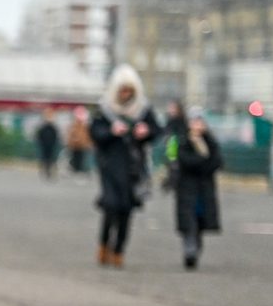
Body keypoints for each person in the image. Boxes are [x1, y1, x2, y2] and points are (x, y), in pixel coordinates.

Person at [91, 65, 160, 270]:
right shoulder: (105, 110)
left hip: (133, 167)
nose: (125, 95)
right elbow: (95, 134)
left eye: (129, 91)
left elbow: (157, 130)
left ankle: (119, 250)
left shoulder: (143, 110)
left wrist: (145, 131)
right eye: (122, 90)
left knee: (126, 210)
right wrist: (112, 131)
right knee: (111, 206)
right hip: (110, 165)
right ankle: (104, 244)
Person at [171, 108, 221, 270]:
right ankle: (189, 250)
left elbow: (216, 162)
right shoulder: (183, 141)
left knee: (200, 222)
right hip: (187, 188)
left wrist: (203, 156)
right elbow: (186, 161)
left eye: (199, 122)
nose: (197, 125)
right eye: (194, 121)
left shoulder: (211, 142)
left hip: (204, 189)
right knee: (189, 221)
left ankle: (195, 249)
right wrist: (202, 158)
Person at [66, 106, 93, 174]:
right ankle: (76, 169)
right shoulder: (74, 126)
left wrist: (89, 143)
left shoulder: (85, 126)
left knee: (83, 159)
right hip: (75, 146)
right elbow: (70, 135)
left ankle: (82, 170)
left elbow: (88, 136)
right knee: (76, 159)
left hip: (83, 146)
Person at [35, 109, 60, 180]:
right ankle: (44, 171)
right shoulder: (43, 128)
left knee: (50, 159)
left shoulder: (53, 128)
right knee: (44, 159)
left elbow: (56, 137)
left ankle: (49, 172)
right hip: (44, 146)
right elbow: (39, 136)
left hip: (51, 146)